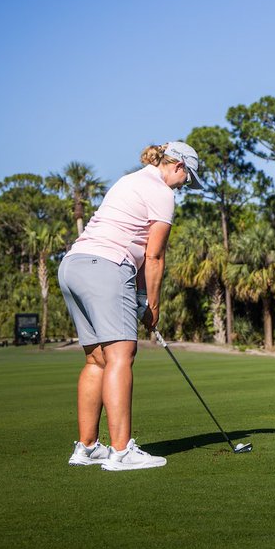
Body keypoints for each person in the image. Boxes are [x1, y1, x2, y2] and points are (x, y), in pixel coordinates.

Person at [58, 141, 203, 471]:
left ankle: (88, 448)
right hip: (106, 267)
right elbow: (153, 256)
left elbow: (132, 246)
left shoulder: (130, 180)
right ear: (177, 167)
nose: (184, 186)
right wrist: (153, 303)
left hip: (72, 266)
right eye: (187, 179)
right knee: (121, 356)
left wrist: (139, 300)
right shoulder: (162, 193)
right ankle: (121, 452)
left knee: (97, 359)